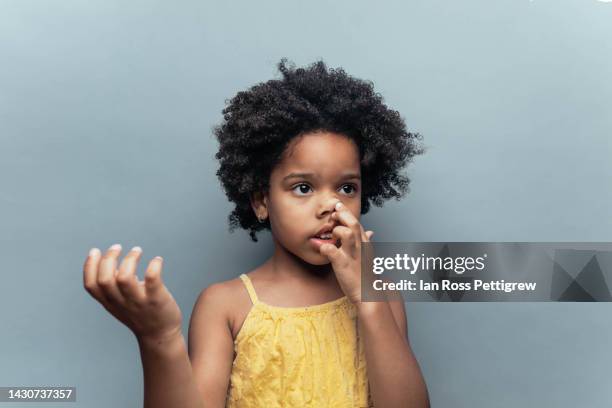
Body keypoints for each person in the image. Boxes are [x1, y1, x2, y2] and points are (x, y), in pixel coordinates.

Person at [83, 59, 430, 407]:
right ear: (262, 201)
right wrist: (158, 339)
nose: (331, 206)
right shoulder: (225, 305)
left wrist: (365, 299)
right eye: (303, 188)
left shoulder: (381, 292)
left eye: (347, 188)